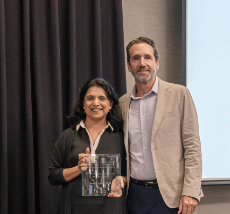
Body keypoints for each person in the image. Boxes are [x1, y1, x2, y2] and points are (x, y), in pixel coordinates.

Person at [119, 37, 203, 214]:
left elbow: (193, 147)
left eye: (148, 57)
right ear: (128, 66)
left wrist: (191, 191)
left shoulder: (179, 94)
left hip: (170, 196)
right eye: (136, 58)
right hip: (134, 196)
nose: (142, 63)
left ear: (157, 63)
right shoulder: (122, 104)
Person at [48, 78, 127, 214]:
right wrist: (78, 169)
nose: (96, 103)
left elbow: (129, 174)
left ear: (110, 104)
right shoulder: (68, 136)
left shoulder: (121, 137)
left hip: (112, 209)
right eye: (90, 98)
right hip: (74, 208)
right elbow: (53, 176)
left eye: (102, 98)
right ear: (83, 104)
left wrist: (122, 180)